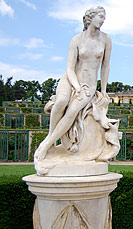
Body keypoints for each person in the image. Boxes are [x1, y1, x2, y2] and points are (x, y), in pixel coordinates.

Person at [34, 6, 112, 161]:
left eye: (104, 17)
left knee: (72, 111)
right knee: (62, 101)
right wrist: (76, 86)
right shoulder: (76, 40)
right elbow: (69, 68)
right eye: (100, 16)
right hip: (71, 79)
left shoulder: (106, 39)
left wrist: (103, 90)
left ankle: (46, 144)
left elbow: (106, 66)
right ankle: (50, 136)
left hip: (88, 85)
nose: (102, 20)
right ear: (90, 18)